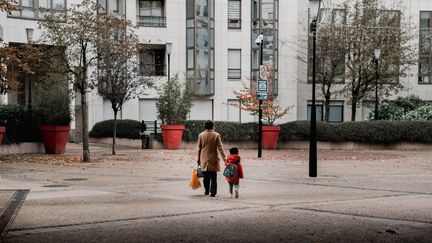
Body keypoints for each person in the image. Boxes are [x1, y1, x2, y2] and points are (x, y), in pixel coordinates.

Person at [197, 120, 227, 197]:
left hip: (203, 158)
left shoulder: (201, 135)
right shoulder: (216, 135)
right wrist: (224, 158)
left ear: (205, 126)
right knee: (213, 177)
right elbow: (220, 147)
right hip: (213, 158)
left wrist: (198, 159)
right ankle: (213, 192)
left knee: (206, 176)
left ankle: (206, 191)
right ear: (213, 126)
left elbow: (199, 148)